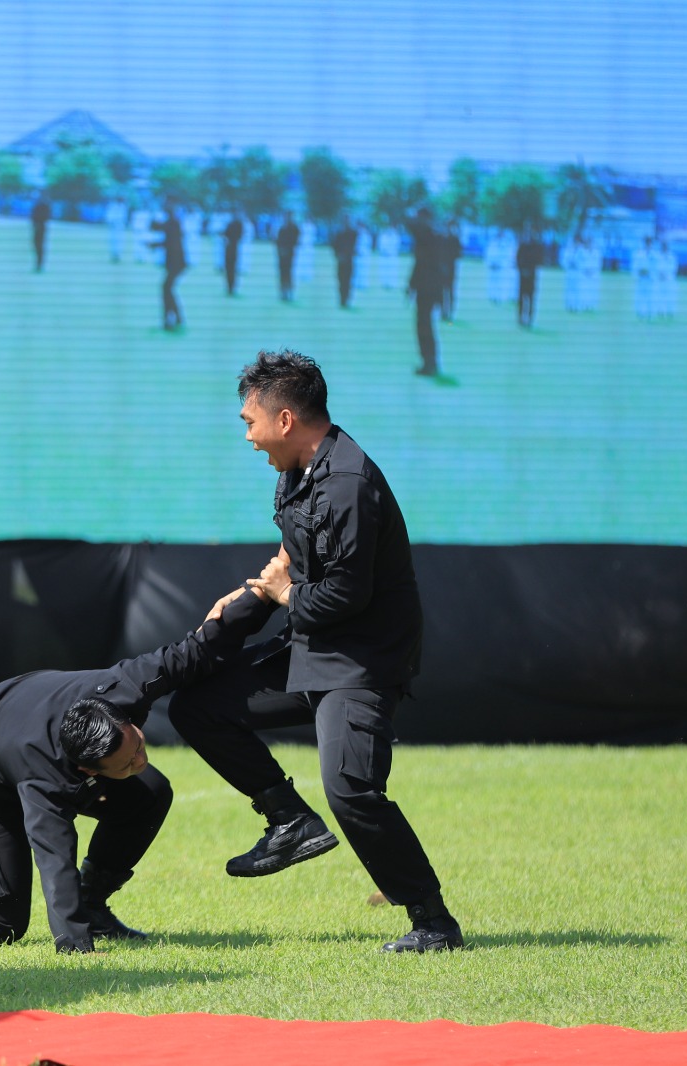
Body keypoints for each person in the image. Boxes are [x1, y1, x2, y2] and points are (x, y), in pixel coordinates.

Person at [168, 350, 463, 954]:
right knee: (199, 707)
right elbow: (295, 559)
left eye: (249, 422)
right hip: (313, 644)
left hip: (362, 659)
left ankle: (434, 923)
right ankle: (288, 820)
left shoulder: (349, 483)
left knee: (351, 788)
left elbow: (345, 597)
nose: (248, 438)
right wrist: (254, 592)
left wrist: (281, 593)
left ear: (283, 420)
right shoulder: (299, 469)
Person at [0, 586, 277, 953]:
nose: (140, 759)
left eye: (138, 745)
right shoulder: (44, 776)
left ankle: (96, 904)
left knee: (149, 791)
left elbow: (195, 651)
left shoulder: (123, 687)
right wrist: (75, 942)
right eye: (126, 763)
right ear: (86, 768)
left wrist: (264, 594)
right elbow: (54, 857)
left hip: (17, 728)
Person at [406, 208, 445, 376]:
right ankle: (428, 361)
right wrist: (411, 285)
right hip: (424, 288)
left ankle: (430, 362)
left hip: (429, 289)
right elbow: (418, 264)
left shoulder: (430, 237)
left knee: (425, 325)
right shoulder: (427, 237)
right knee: (423, 325)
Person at [151, 201, 188, 330]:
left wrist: (154, 245)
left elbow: (165, 238)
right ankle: (176, 318)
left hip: (175, 263)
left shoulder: (173, 223)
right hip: (175, 263)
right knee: (168, 289)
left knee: (166, 289)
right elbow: (156, 227)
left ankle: (171, 319)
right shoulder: (172, 222)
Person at [515, 225, 544, 328]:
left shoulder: (537, 247)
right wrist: (522, 269)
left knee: (531, 298)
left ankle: (530, 318)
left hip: (532, 276)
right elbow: (517, 259)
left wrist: (530, 270)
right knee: (522, 298)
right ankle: (520, 317)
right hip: (523, 276)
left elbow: (539, 261)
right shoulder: (522, 246)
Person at [330, 221, 358, 308]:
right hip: (341, 261)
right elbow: (334, 245)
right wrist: (338, 255)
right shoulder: (339, 232)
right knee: (341, 280)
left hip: (349, 260)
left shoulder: (353, 233)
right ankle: (342, 299)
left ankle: (346, 299)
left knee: (348, 281)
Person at [439, 220, 462, 322]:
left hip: (450, 268)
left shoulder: (453, 239)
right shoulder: (443, 238)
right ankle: (444, 311)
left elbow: (458, 254)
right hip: (444, 268)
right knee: (444, 292)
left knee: (449, 291)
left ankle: (449, 312)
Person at [276, 210, 301, 302]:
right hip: (281, 254)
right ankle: (283, 292)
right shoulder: (281, 227)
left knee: (289, 273)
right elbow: (277, 241)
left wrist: (287, 249)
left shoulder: (294, 228)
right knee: (282, 273)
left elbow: (296, 240)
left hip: (290, 254)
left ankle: (289, 292)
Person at [223, 214, 245, 295]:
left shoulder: (232, 224)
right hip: (234, 248)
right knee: (232, 269)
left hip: (230, 249)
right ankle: (232, 287)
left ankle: (230, 287)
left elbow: (225, 234)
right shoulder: (239, 224)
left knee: (230, 269)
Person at [30, 194, 53, 272]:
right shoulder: (42, 205)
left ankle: (39, 265)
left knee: (39, 247)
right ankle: (38, 265)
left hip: (40, 227)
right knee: (37, 246)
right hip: (38, 227)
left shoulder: (42, 206)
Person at [105, 195, 128, 264]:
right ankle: (113, 255)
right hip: (113, 227)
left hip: (120, 227)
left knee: (120, 241)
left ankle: (118, 256)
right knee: (113, 241)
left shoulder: (124, 207)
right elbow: (109, 215)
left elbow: (124, 217)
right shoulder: (112, 206)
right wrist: (111, 222)